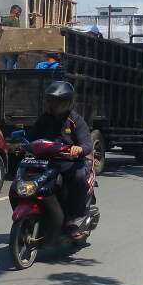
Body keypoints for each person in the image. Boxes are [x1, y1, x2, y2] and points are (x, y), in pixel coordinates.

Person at [27, 81, 93, 238]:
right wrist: (17, 144)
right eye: (52, 99)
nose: (55, 103)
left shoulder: (75, 120)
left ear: (69, 101)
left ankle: (70, 219)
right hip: (46, 160)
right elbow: (29, 137)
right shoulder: (44, 119)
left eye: (59, 100)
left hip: (69, 161)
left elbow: (87, 144)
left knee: (78, 177)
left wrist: (79, 149)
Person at [0, 4, 22, 69]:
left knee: (4, 73)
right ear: (17, 13)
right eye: (19, 14)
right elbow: (16, 36)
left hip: (3, 50)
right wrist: (19, 51)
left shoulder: (4, 21)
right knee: (10, 73)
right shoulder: (15, 21)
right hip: (11, 50)